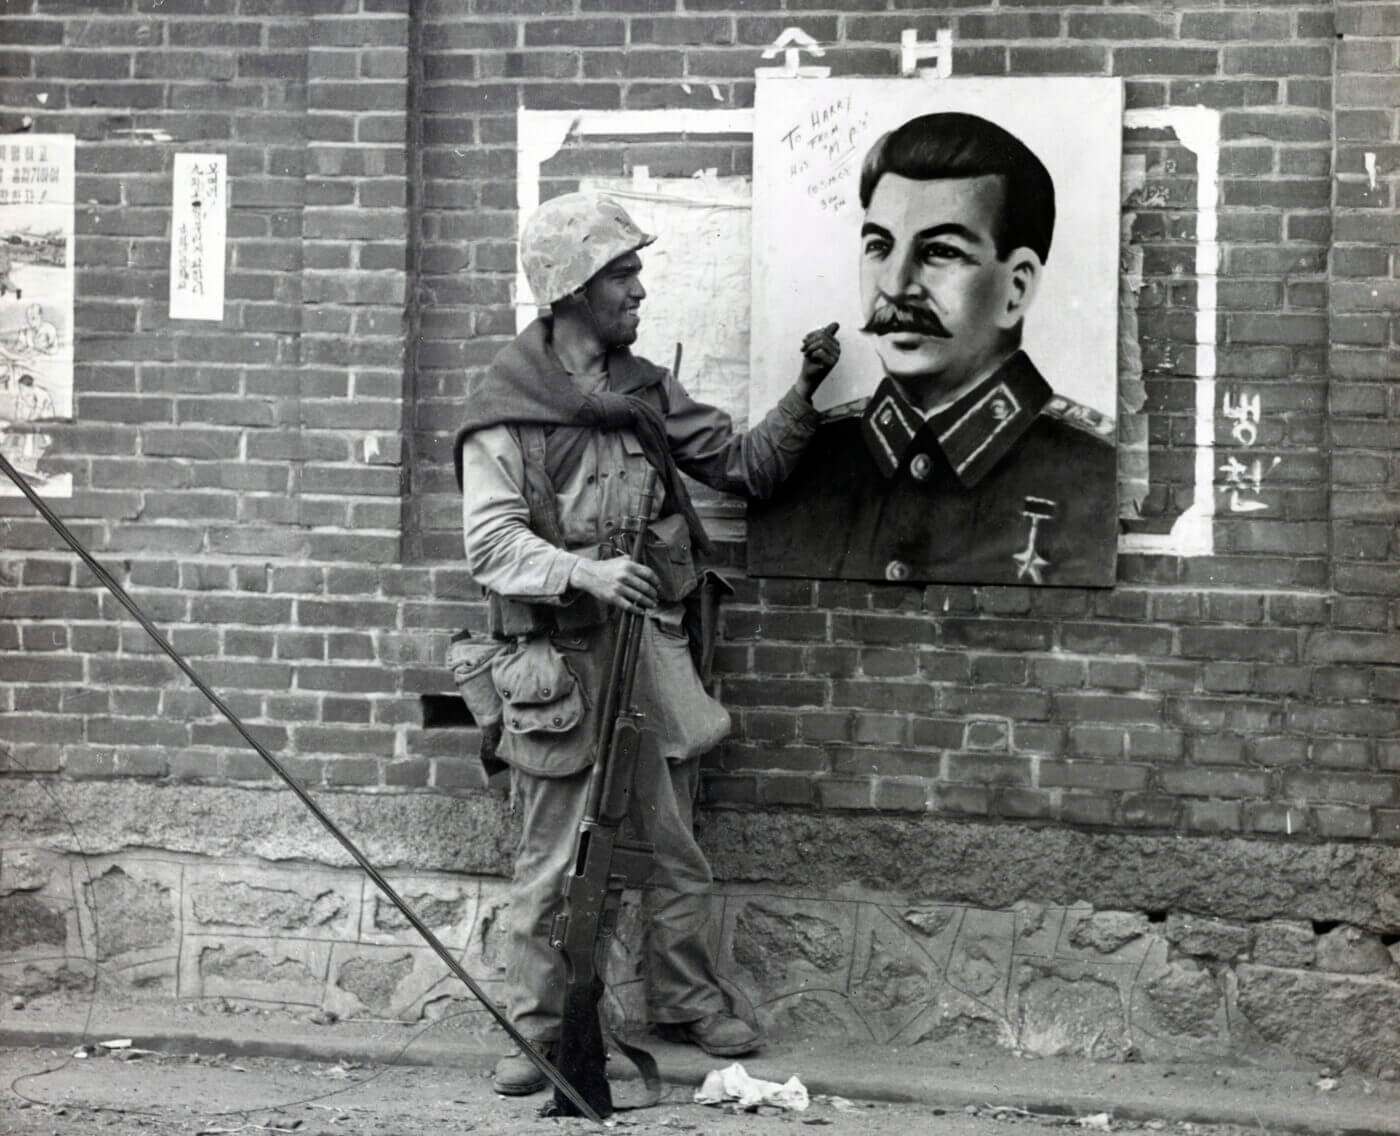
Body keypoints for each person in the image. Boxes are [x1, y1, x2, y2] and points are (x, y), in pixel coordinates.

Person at [452, 192, 840, 1096]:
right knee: (550, 858)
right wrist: (582, 573)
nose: (639, 288)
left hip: (648, 653)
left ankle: (687, 1001)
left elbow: (744, 465)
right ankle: (542, 1031)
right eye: (622, 273)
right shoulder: (508, 407)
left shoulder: (643, 392)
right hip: (554, 660)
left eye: (634, 270)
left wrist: (807, 389)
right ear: (573, 287)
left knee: (673, 841)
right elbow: (490, 542)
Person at [749, 111, 1117, 587]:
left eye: (940, 251)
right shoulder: (813, 459)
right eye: (879, 246)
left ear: (1017, 288)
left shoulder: (1087, 468)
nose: (895, 286)